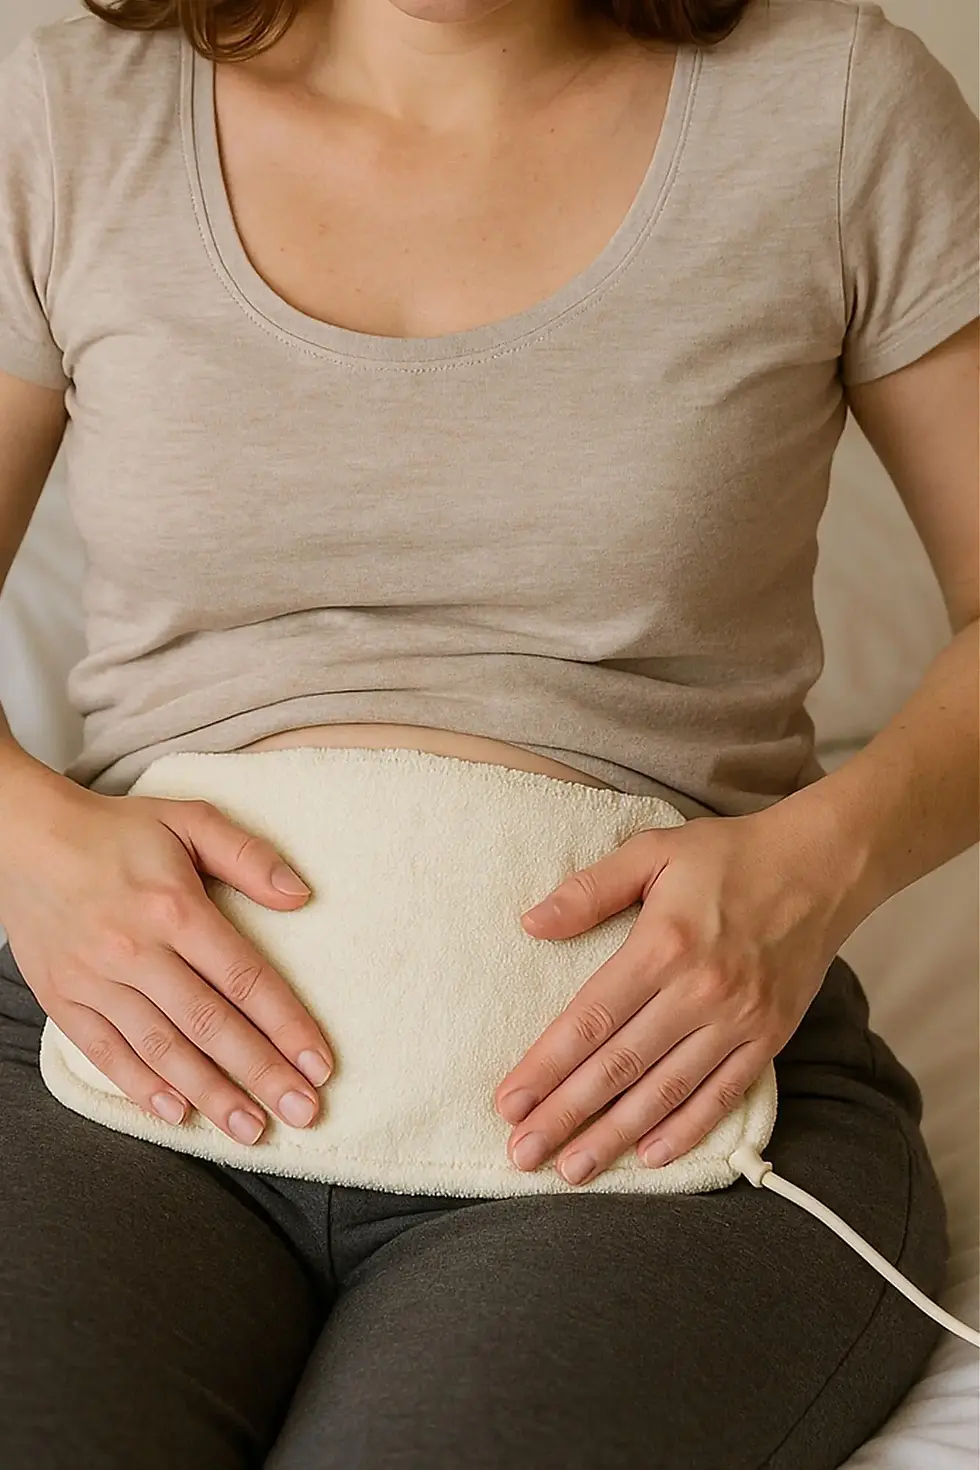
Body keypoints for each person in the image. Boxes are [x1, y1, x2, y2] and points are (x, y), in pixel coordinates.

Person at [0, 0, 976, 1464]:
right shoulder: (73, 110)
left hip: (664, 1112)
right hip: (110, 1073)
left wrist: (813, 869)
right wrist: (24, 838)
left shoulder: (835, 103)